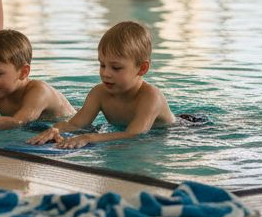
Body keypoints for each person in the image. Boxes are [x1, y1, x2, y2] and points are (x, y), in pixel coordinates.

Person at [26, 21, 174, 149]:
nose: (106, 73)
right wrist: (55, 130)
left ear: (142, 69)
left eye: (116, 68)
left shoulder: (151, 96)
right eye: (102, 65)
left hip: (181, 130)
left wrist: (90, 138)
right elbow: (75, 125)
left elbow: (134, 134)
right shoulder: (99, 93)